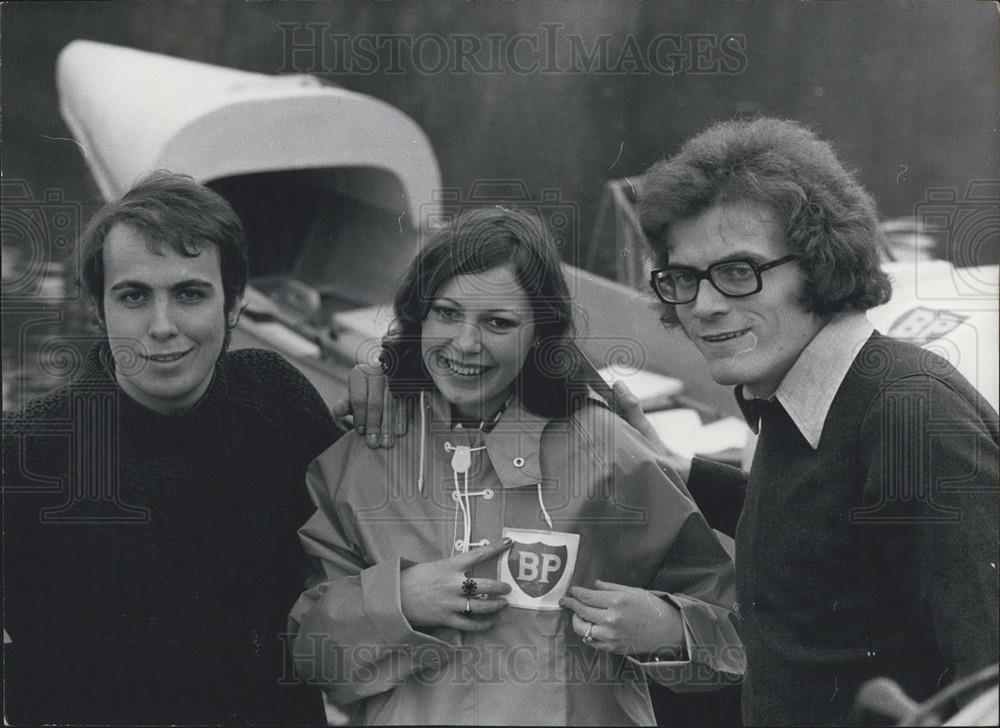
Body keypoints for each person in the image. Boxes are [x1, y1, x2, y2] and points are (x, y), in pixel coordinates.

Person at [341, 117, 1000, 726]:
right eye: (683, 278)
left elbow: (989, 684)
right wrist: (683, 472)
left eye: (739, 272)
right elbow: (836, 535)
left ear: (824, 260)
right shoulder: (797, 400)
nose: (705, 306)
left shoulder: (912, 419)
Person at [288, 207, 743, 725]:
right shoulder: (362, 455)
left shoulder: (610, 454)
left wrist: (668, 629)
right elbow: (311, 655)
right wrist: (399, 601)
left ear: (540, 333)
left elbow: (738, 635)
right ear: (418, 315)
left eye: (498, 323)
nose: (465, 344)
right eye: (446, 312)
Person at [2, 171, 342, 725]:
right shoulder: (25, 452)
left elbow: (371, 528)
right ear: (97, 310)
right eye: (134, 296)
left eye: (189, 293)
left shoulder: (275, 397)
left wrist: (395, 391)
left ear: (233, 305)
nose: (162, 327)